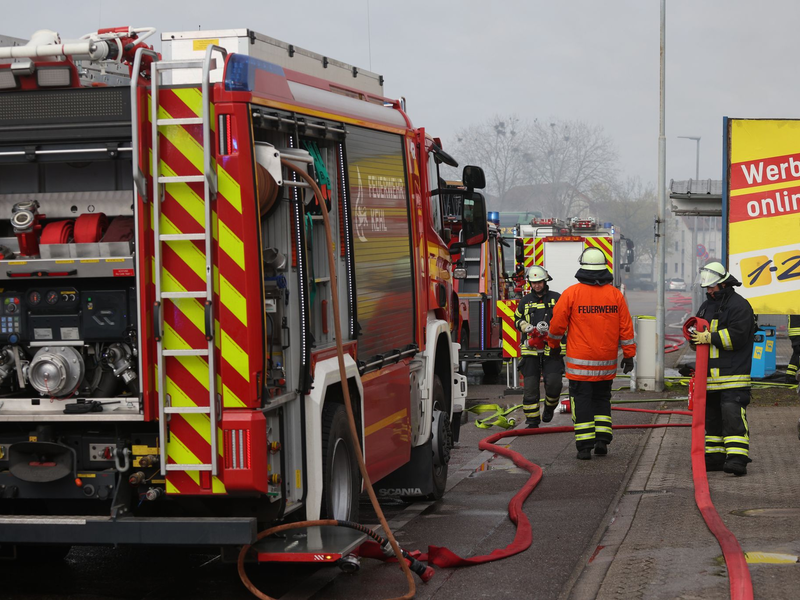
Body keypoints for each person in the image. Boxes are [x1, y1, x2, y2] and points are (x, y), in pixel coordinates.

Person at [546, 247, 636, 460]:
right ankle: (602, 440)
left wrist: (554, 347)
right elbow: (626, 328)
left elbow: (556, 326)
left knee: (582, 401)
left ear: (583, 268)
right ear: (604, 268)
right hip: (606, 364)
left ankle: (584, 447)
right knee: (602, 399)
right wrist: (629, 355)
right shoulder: (615, 295)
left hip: (580, 366)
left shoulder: (571, 294)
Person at [690, 261, 755, 476]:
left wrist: (710, 337)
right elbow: (698, 334)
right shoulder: (706, 306)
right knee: (712, 420)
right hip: (709, 378)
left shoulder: (740, 306)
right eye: (707, 288)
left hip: (733, 377)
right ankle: (715, 457)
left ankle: (737, 459)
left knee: (733, 417)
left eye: (712, 287)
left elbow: (737, 336)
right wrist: (694, 338)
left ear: (724, 284)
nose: (708, 291)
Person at [514, 266, 563, 427]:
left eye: (539, 282)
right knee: (530, 387)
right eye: (533, 283)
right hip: (531, 350)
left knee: (555, 384)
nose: (536, 286)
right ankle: (532, 419)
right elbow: (517, 319)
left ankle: (549, 408)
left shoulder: (557, 298)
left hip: (553, 349)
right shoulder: (525, 301)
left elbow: (567, 319)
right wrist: (525, 326)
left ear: (545, 281)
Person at [786, 315, 800, 383]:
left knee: (796, 353)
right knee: (797, 354)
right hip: (798, 332)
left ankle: (790, 376)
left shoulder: (794, 306)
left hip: (794, 333)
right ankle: (790, 377)